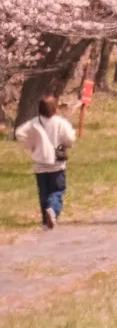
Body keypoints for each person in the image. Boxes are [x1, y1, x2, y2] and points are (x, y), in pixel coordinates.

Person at [16, 95, 77, 229]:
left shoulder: (34, 122)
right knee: (57, 190)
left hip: (40, 164)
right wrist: (65, 145)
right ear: (55, 108)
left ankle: (45, 220)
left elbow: (20, 133)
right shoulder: (61, 122)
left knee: (43, 193)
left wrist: (31, 145)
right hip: (57, 164)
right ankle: (53, 210)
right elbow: (70, 138)